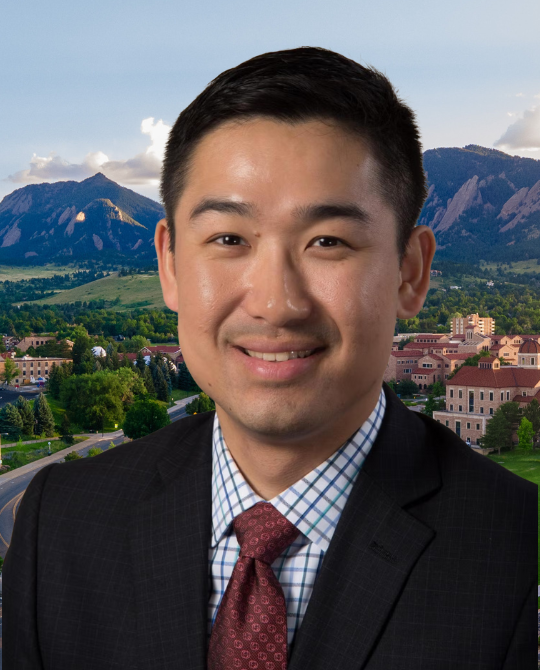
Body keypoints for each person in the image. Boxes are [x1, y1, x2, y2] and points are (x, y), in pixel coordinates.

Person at [3, 47, 536, 670]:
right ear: (170, 266)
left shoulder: (521, 555)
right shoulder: (61, 520)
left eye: (328, 241)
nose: (277, 303)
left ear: (410, 272)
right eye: (229, 239)